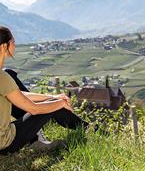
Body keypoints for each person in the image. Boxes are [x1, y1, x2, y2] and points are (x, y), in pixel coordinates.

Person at [0, 26, 88, 154]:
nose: (15, 45)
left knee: (51, 102)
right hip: (5, 143)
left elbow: (17, 95)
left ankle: (87, 128)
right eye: (13, 42)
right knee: (51, 107)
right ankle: (90, 129)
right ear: (3, 46)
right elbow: (34, 109)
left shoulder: (4, 77)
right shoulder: (2, 78)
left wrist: (51, 97)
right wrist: (60, 103)